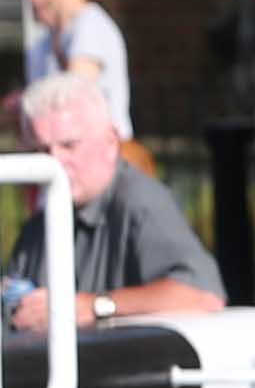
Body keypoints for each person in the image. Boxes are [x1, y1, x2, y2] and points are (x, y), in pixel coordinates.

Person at [5, 73, 220, 328]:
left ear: (111, 142)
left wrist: (94, 306)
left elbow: (202, 296)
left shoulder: (139, 202)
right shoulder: (46, 218)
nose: (54, 161)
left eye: (69, 145)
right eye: (41, 150)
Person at [17, 0, 126, 137]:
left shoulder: (91, 26)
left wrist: (24, 104)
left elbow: (71, 103)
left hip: (104, 166)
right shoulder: (42, 45)